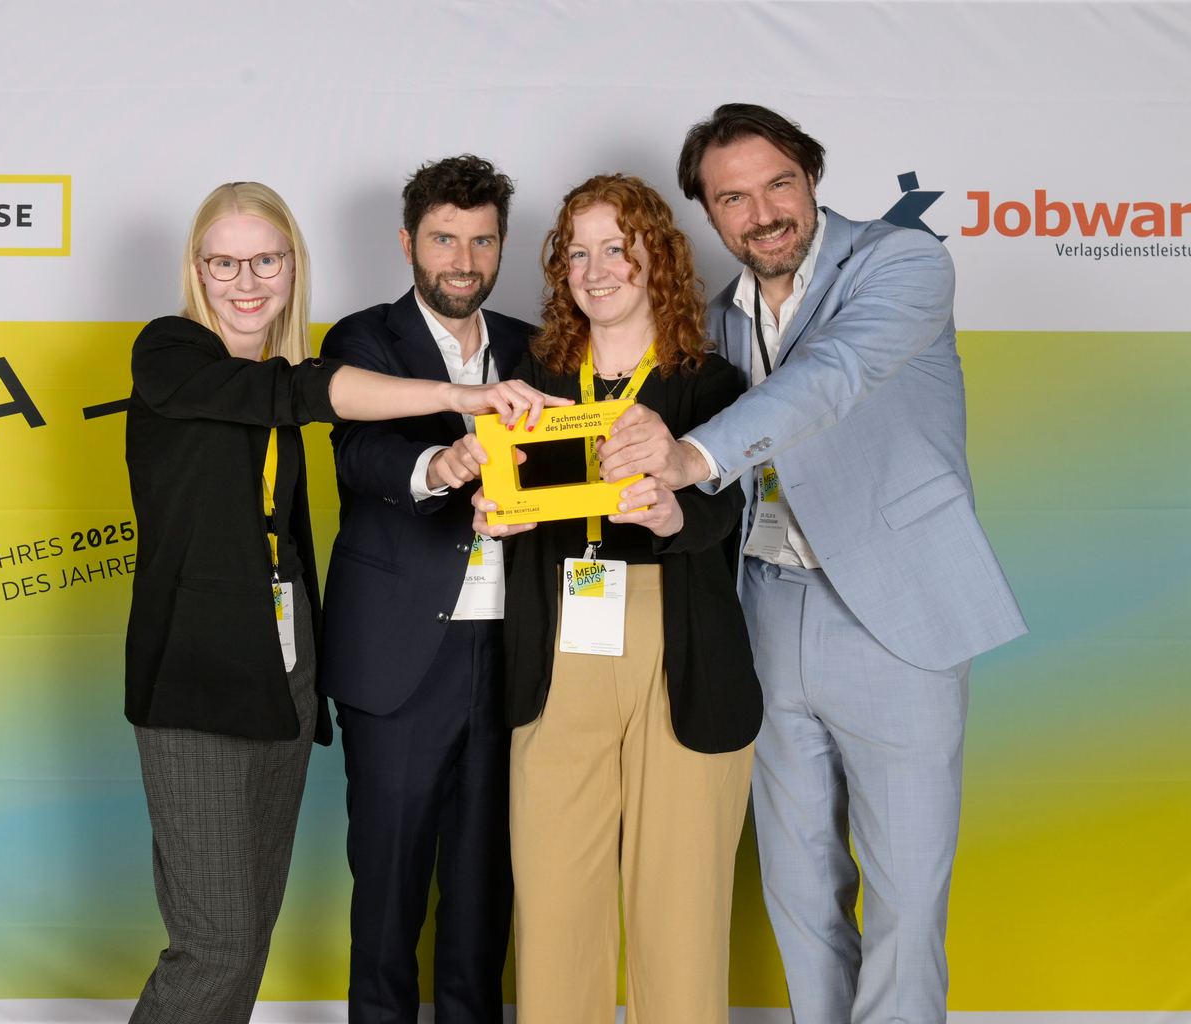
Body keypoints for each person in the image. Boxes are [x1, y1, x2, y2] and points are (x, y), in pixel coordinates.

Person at [601, 103, 1028, 1023]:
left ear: (812, 177)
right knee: (798, 892)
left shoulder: (902, 262)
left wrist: (692, 455)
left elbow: (828, 378)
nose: (763, 214)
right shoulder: (716, 316)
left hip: (894, 614)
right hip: (764, 607)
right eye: (733, 199)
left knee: (905, 898)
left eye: (779, 184)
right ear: (709, 214)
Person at [124, 181, 566, 1024]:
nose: (246, 280)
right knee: (217, 944)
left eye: (267, 261)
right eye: (225, 262)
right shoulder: (170, 352)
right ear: (196, 269)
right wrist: (460, 400)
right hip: (196, 678)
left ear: (293, 267)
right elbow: (306, 397)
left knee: (248, 934)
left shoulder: (281, 373)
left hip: (283, 673)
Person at [472, 174, 761, 1024]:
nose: (595, 271)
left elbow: (731, 507)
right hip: (559, 640)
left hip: (682, 645)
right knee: (555, 905)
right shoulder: (533, 378)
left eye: (616, 250)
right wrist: (494, 516)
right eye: (577, 253)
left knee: (681, 914)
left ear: (656, 257)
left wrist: (676, 511)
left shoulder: (711, 383)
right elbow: (516, 500)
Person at [318, 155, 530, 1024]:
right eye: (445, 239)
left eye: (482, 241)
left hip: (513, 657)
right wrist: (441, 465)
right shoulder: (361, 339)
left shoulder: (536, 345)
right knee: (389, 894)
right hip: (400, 657)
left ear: (502, 245)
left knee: (484, 896)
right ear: (408, 242)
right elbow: (358, 453)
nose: (463, 261)